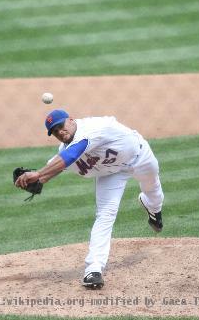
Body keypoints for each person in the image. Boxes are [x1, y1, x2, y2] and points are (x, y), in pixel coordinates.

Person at [15, 109, 164, 289]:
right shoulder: (65, 150)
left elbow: (69, 156)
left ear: (71, 120)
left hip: (139, 157)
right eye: (54, 132)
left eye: (60, 126)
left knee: (153, 191)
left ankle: (153, 209)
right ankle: (93, 269)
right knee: (105, 215)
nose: (59, 132)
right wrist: (38, 179)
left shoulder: (92, 129)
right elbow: (58, 164)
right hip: (111, 174)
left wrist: (38, 173)